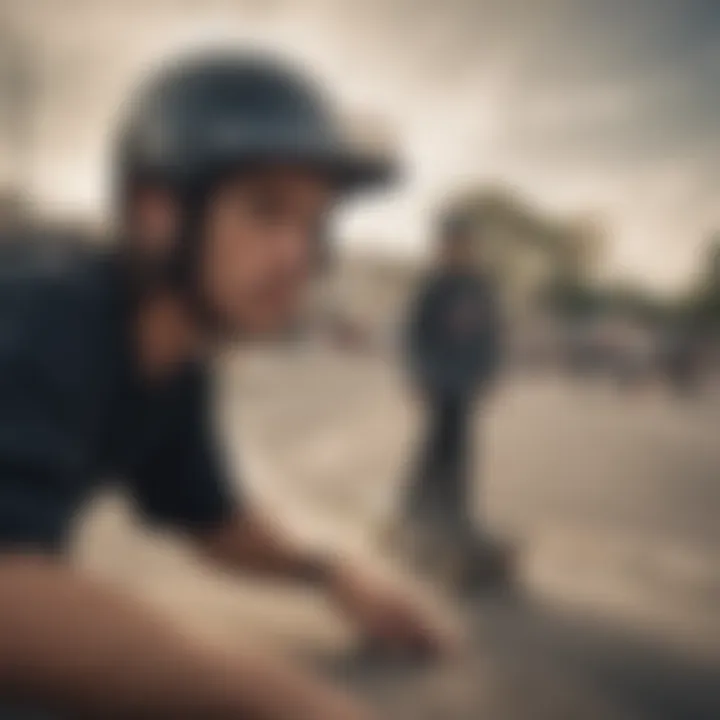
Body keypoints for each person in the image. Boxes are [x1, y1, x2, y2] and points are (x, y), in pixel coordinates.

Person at [0, 51, 450, 719]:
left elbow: (213, 518)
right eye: (267, 211)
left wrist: (335, 573)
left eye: (313, 224)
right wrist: (287, 702)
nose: (301, 256)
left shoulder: (172, 357)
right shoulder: (46, 309)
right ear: (156, 212)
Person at [398, 209, 509, 590]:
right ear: (441, 248)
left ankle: (456, 509)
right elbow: (413, 333)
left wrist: (490, 373)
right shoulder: (434, 286)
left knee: (461, 444)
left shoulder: (479, 287)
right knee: (434, 443)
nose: (457, 251)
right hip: (438, 376)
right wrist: (416, 374)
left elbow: (491, 334)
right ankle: (416, 504)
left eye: (464, 245)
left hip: (465, 379)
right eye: (451, 244)